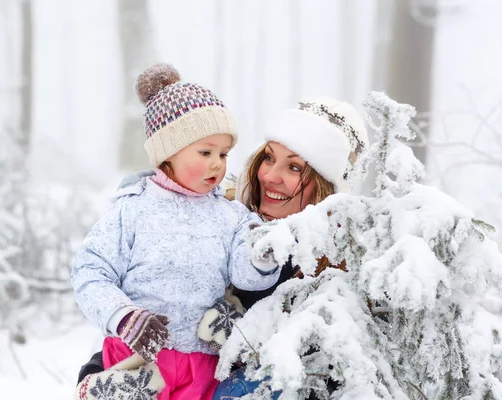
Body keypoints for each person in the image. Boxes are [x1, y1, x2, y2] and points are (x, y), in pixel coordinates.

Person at [71, 63, 282, 400]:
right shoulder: (132, 209)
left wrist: (263, 255)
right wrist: (124, 317)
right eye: (205, 152)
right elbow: (89, 272)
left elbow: (246, 278)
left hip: (202, 366)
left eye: (223, 153)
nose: (217, 163)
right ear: (168, 150)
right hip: (137, 360)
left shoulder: (231, 216)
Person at [199, 97, 369, 399]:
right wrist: (100, 367)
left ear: (327, 188)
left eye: (294, 167)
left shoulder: (333, 278)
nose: (269, 176)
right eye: (268, 157)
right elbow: (161, 295)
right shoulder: (221, 220)